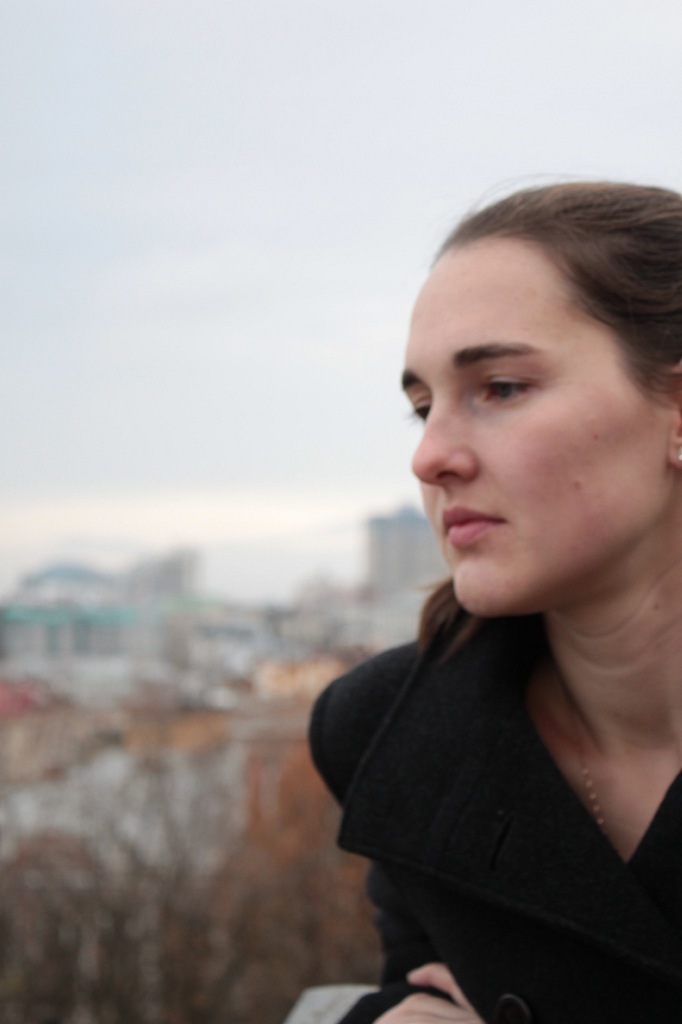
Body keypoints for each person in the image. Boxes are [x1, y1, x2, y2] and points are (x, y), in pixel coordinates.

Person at [309, 181, 682, 1024]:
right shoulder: (392, 734)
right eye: (422, 408)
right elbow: (422, 981)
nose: (430, 457)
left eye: (502, 387)